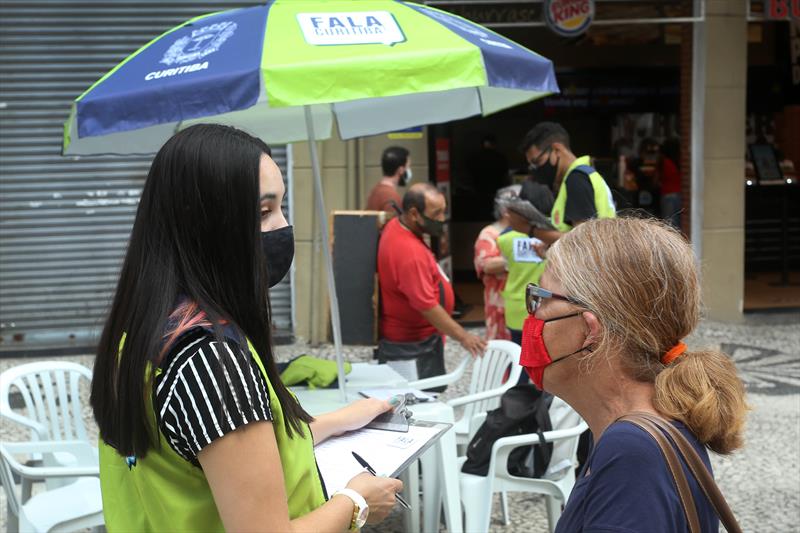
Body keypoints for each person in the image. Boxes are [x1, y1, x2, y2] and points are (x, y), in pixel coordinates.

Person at [90, 124, 403, 532]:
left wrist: (338, 420)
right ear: (205, 224)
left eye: (282, 207)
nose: (283, 227)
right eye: (262, 212)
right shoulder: (212, 362)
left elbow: (221, 449)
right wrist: (357, 502)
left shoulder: (143, 331)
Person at [518, 217, 747, 532]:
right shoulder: (651, 421)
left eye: (541, 299)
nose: (531, 316)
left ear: (588, 330)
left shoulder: (631, 453)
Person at [378, 183, 486, 363]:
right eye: (436, 213)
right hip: (412, 345)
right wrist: (463, 337)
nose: (442, 219)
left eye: (444, 211)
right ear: (414, 214)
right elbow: (426, 305)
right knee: (417, 392)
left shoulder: (398, 226)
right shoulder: (409, 253)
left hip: (418, 339)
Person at [510, 122, 616, 243]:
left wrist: (529, 229)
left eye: (537, 161)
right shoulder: (583, 173)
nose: (535, 169)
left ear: (557, 150)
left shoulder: (576, 179)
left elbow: (582, 241)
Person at [473, 186, 516, 341]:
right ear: (505, 210)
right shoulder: (489, 234)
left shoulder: (524, 232)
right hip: (499, 303)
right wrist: (515, 258)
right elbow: (486, 265)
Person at [365, 146, 411, 215]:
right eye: (408, 167)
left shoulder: (377, 190)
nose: (409, 170)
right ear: (401, 170)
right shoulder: (391, 198)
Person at [657, 137, 683, 230]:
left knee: (669, 227)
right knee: (677, 226)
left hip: (668, 196)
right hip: (679, 195)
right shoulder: (679, 161)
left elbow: (657, 179)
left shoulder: (665, 162)